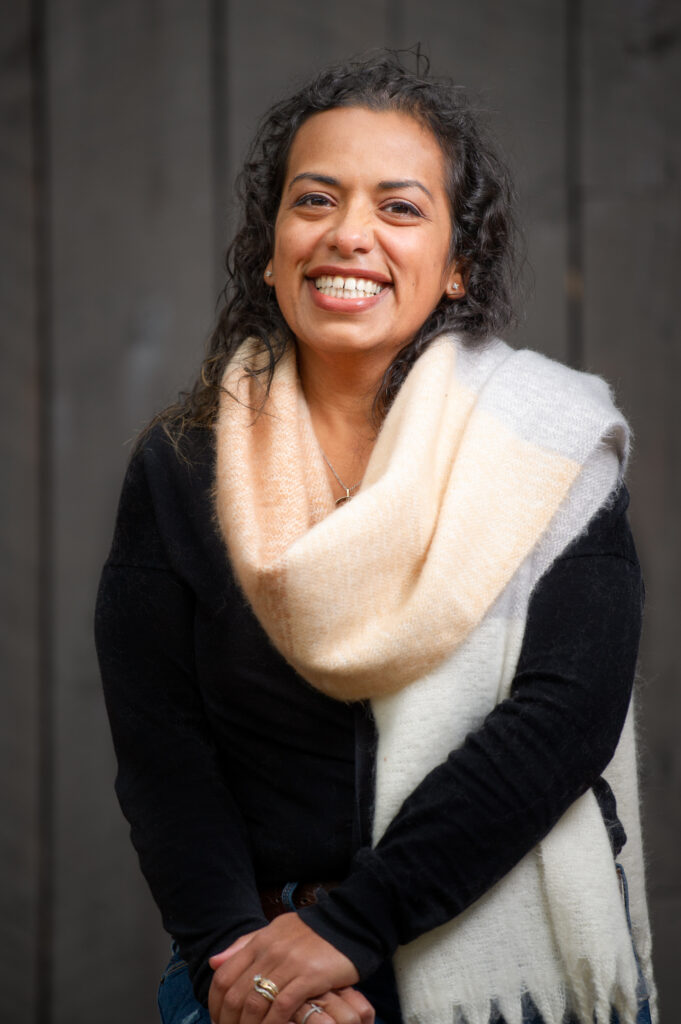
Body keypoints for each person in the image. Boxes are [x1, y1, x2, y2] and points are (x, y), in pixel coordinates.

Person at [95, 52, 656, 1024]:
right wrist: (256, 972)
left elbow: (562, 722)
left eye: (399, 208)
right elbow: (163, 756)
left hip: (499, 967)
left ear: (457, 265)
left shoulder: (551, 448)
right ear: (271, 249)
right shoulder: (181, 465)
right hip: (251, 963)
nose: (349, 233)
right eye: (314, 200)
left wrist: (347, 933)